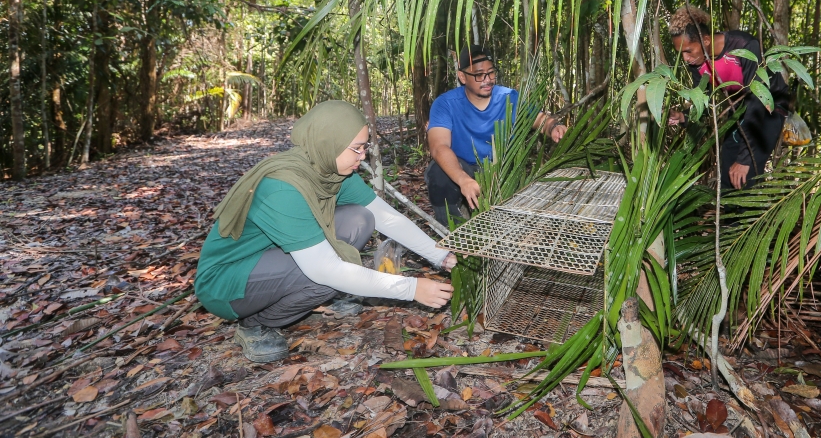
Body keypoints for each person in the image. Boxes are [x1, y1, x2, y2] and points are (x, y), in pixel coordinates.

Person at [195, 100, 457, 363]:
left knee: (360, 218)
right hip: (227, 282)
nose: (362, 156)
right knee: (326, 277)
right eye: (356, 148)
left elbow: (386, 217)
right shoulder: (284, 187)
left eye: (364, 147)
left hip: (273, 258)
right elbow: (325, 268)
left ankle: (312, 294)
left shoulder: (331, 170)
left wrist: (440, 255)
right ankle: (254, 323)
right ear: (328, 142)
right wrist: (410, 289)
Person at [425, 45, 568, 225]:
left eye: (491, 73)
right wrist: (463, 180)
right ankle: (452, 235)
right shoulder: (445, 104)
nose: (487, 80)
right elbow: (439, 147)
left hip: (500, 171)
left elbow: (540, 120)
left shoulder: (509, 97)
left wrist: (554, 126)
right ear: (462, 77)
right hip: (463, 170)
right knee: (437, 173)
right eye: (479, 75)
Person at [667, 6, 789, 190]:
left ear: (706, 40)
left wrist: (745, 158)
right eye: (681, 53)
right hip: (739, 111)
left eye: (688, 51)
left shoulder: (744, 46)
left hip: (767, 109)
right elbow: (705, 103)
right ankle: (729, 218)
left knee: (745, 175)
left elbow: (757, 102)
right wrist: (684, 116)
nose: (685, 59)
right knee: (728, 178)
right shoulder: (697, 62)